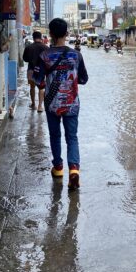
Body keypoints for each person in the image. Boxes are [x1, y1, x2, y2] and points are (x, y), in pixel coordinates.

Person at [36, 18, 88, 190]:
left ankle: (58, 168)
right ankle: (74, 170)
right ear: (67, 34)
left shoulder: (44, 56)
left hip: (52, 104)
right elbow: (83, 79)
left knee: (55, 136)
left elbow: (38, 80)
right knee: (72, 137)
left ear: (50, 34)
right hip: (72, 104)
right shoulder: (76, 55)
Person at [22, 31, 49, 112]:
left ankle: (33, 103)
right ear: (41, 38)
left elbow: (25, 59)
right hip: (41, 71)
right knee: (41, 88)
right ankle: (40, 106)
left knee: (32, 87)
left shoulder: (28, 47)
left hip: (31, 70)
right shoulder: (46, 48)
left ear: (33, 38)